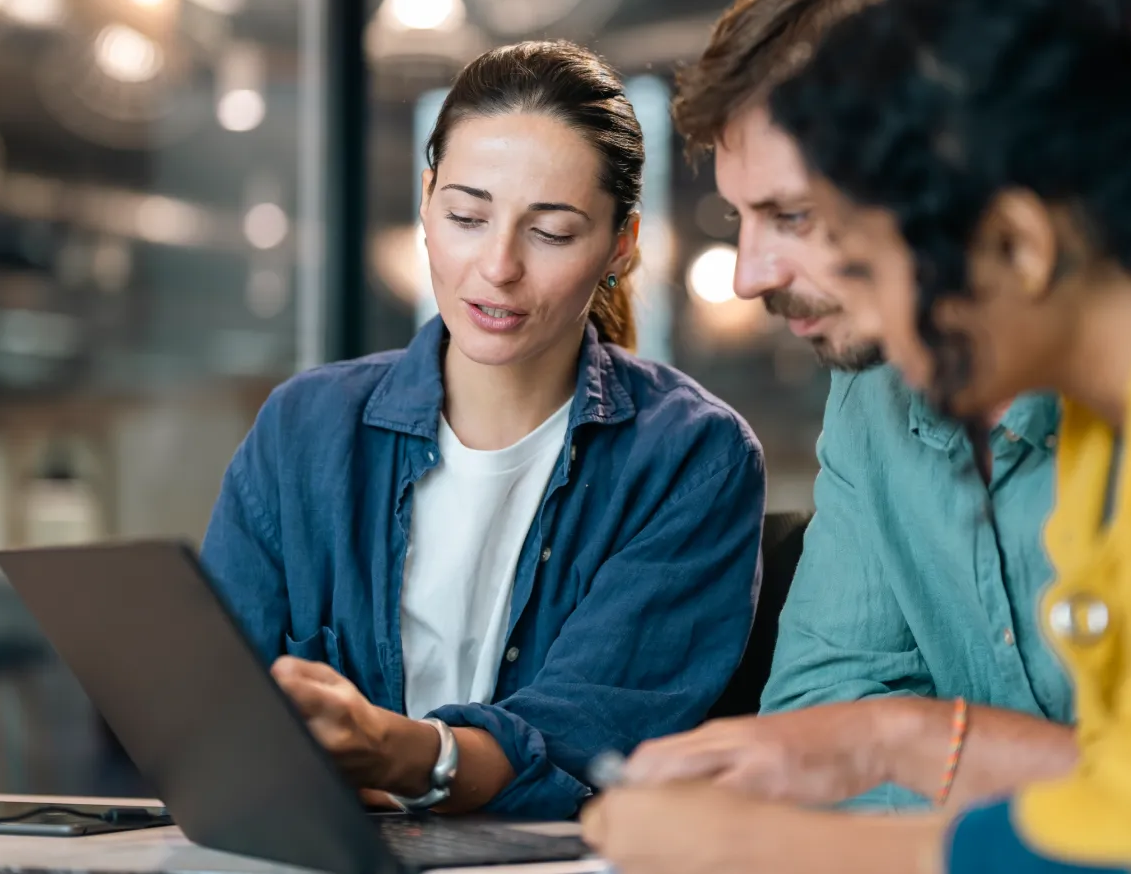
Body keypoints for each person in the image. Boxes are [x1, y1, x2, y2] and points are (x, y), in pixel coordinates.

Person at [585, 0, 1131, 872]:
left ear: (1019, 240)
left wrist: (764, 845)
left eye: (867, 256)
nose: (877, 315)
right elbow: (1127, 786)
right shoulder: (1118, 432)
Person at [201, 40, 765, 820]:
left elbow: (588, 743)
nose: (497, 266)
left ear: (620, 246)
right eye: (466, 215)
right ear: (427, 204)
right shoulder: (304, 429)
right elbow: (213, 718)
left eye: (554, 233)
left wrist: (399, 754)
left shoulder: (691, 457)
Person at [628, 0, 1073, 811]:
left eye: (791, 214)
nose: (750, 274)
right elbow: (814, 719)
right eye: (739, 215)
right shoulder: (873, 395)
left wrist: (900, 744)